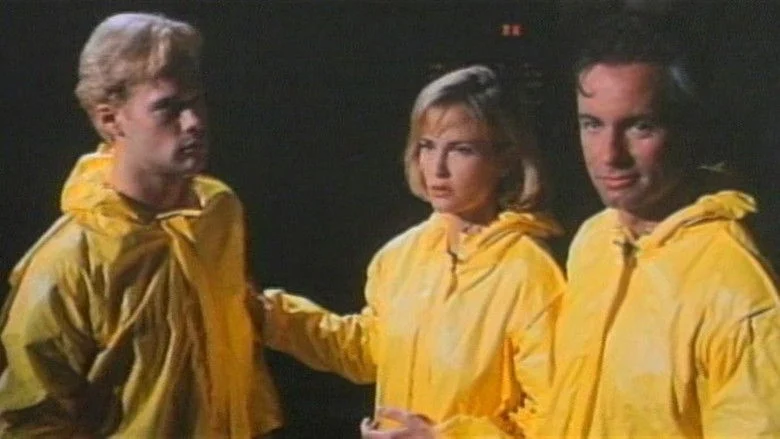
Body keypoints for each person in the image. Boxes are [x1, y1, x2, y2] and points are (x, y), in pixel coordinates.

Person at [0, 12, 282, 437]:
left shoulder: (217, 214)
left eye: (197, 101)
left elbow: (240, 325)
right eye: (168, 107)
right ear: (110, 119)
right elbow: (29, 420)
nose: (194, 122)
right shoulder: (68, 263)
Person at [253, 65, 565, 437]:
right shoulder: (401, 256)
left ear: (505, 159)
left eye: (461, 149)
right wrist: (272, 318)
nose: (438, 168)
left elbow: (553, 417)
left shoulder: (530, 273)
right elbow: (369, 351)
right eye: (427, 146)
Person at [538, 12, 780, 438]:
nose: (609, 155)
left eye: (640, 127)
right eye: (592, 125)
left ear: (688, 129)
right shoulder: (594, 240)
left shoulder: (738, 289)